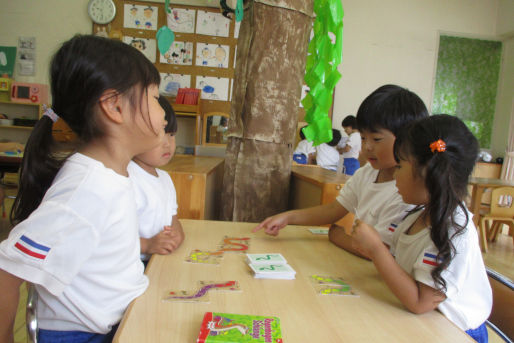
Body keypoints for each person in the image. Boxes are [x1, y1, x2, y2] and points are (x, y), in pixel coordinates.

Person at [0, 35, 166, 342]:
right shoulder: (89, 187)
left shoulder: (112, 174)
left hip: (116, 320)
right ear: (115, 107)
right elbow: (7, 270)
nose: (163, 112)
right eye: (155, 97)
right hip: (84, 336)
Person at [351, 115, 492, 343]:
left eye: (400, 166)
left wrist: (376, 249)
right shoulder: (415, 215)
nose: (394, 175)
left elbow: (420, 302)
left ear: (429, 172)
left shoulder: (452, 230)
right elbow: (399, 271)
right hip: (422, 321)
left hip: (456, 331)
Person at [253, 85, 428, 259]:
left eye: (376, 139)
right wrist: (288, 217)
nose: (367, 147)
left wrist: (338, 236)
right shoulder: (367, 173)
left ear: (407, 139)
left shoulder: (409, 192)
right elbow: (334, 209)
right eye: (363, 137)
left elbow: (376, 252)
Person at [128, 96, 184, 265]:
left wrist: (177, 234)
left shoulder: (165, 178)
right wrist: (146, 245)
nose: (167, 144)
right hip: (134, 264)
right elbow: (108, 239)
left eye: (171, 134)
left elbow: (173, 218)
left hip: (159, 261)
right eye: (159, 135)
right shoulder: (127, 177)